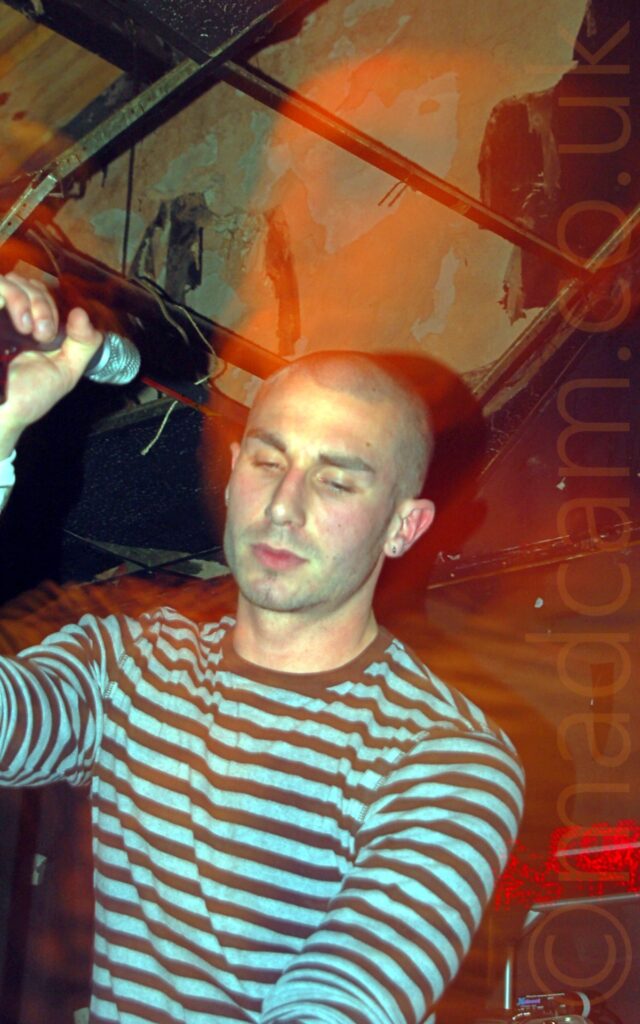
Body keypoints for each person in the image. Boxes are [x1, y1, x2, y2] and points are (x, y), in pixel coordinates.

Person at [0, 272, 524, 1024]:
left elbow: (337, 1004)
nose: (285, 507)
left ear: (403, 527)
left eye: (337, 482)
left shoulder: (447, 757)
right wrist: (4, 430)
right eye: (268, 462)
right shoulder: (130, 665)